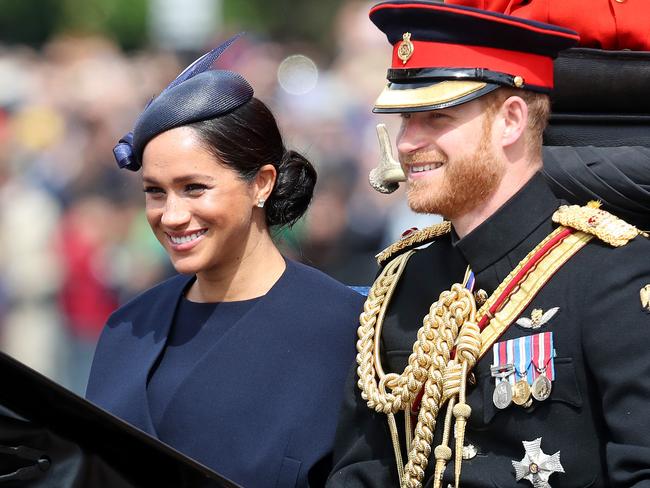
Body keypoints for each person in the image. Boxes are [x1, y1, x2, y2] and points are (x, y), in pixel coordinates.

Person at [326, 2, 650, 487]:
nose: (408, 143)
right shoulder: (402, 280)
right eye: (404, 119)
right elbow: (362, 471)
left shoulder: (611, 275)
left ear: (512, 121)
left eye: (434, 117)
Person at [85, 36, 365, 488]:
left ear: (262, 184)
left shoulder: (343, 330)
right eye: (155, 192)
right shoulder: (128, 327)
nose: (172, 215)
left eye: (194, 188)